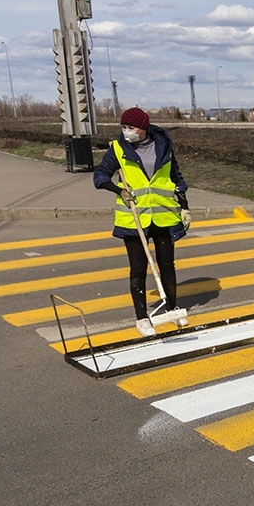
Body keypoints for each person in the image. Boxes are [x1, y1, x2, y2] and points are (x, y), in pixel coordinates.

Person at [93, 107, 191, 336]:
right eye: (123, 127)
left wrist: (184, 206)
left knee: (167, 266)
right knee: (138, 269)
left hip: (163, 215)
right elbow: (100, 176)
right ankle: (141, 318)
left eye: (131, 127)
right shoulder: (118, 149)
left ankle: (172, 308)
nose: (127, 131)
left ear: (143, 128)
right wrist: (118, 190)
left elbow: (175, 177)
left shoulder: (163, 146)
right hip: (133, 218)